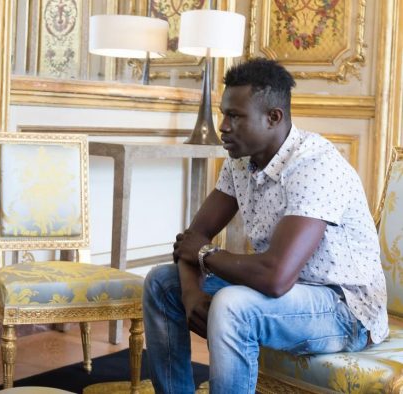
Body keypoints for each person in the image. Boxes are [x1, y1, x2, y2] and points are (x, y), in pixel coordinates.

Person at [143, 58, 388, 393]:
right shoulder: (240, 162)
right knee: (161, 282)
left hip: (343, 309)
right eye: (223, 113)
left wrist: (204, 254)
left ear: (274, 117)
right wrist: (190, 295)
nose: (223, 126)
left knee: (233, 305)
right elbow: (192, 239)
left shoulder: (315, 165)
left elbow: (274, 277)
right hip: (284, 292)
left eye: (235, 116)